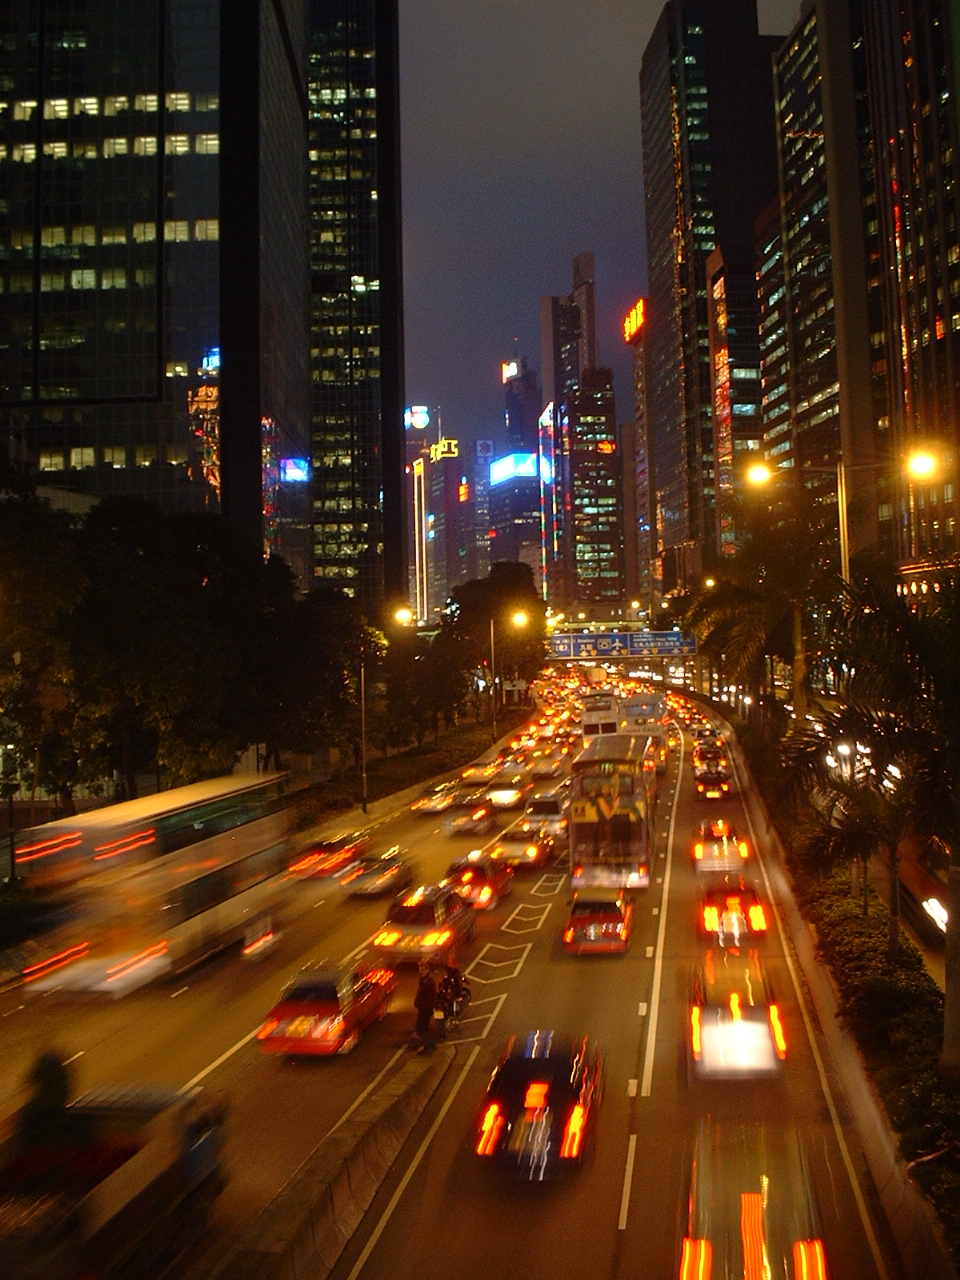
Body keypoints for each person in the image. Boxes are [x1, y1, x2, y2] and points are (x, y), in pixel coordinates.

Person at [413, 961, 437, 1053]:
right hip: (423, 1007)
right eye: (420, 970)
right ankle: (430, 1045)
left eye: (423, 969)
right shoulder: (423, 980)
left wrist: (419, 1003)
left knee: (422, 1028)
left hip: (426, 1008)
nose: (421, 971)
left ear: (427, 970)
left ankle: (429, 1046)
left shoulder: (428, 982)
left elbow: (424, 994)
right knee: (423, 1028)